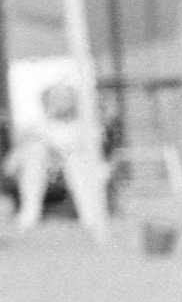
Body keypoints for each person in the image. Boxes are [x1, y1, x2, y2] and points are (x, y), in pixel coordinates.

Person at [4, 80, 109, 240]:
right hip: (44, 171)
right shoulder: (37, 124)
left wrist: (62, 150)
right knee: (35, 152)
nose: (60, 102)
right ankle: (29, 215)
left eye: (64, 98)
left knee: (75, 159)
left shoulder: (86, 123)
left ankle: (90, 218)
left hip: (78, 169)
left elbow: (96, 150)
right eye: (55, 98)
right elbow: (14, 160)